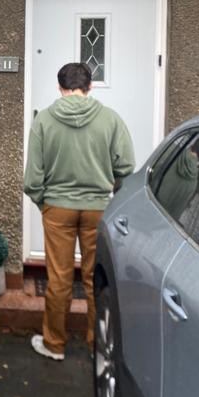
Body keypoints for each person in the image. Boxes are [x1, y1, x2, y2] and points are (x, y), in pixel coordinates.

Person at [23, 62, 135, 361]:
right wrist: (111, 194)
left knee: (58, 278)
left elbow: (32, 179)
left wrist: (45, 203)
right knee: (93, 279)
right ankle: (96, 346)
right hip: (98, 209)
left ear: (60, 88)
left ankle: (54, 344)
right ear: (90, 87)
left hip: (58, 208)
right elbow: (125, 167)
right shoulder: (111, 120)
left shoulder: (44, 120)